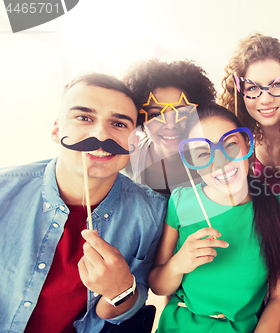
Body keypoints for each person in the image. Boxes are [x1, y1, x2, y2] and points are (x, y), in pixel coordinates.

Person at [0, 73, 167, 333]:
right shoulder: (4, 191)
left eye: (119, 124)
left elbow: (123, 312)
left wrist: (121, 290)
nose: (101, 134)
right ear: (57, 130)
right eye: (84, 117)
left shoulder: (153, 212)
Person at [148, 103, 280, 332]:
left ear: (248, 144)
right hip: (180, 325)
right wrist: (178, 264)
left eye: (230, 146)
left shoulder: (279, 207)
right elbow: (158, 286)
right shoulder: (180, 202)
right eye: (204, 153)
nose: (221, 161)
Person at [220, 33, 280, 209]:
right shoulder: (236, 147)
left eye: (277, 84)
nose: (265, 99)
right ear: (240, 93)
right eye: (253, 87)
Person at [122, 58, 217, 198]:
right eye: (155, 114)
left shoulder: (216, 159)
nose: (171, 124)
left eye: (182, 113)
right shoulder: (126, 160)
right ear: (140, 117)